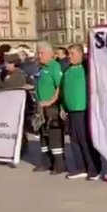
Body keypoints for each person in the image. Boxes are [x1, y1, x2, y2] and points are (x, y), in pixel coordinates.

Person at [59, 45, 102, 180]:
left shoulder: (86, 68)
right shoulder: (67, 70)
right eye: (68, 54)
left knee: (85, 140)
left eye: (72, 53)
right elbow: (62, 89)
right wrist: (62, 107)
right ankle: (80, 167)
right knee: (74, 141)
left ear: (80, 54)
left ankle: (94, 169)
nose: (69, 56)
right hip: (70, 111)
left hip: (83, 110)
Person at [33, 42, 66, 175]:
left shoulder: (54, 66)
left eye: (42, 53)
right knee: (43, 135)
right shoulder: (40, 68)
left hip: (51, 107)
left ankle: (59, 165)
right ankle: (46, 162)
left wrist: (51, 100)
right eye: (38, 53)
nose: (39, 56)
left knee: (54, 135)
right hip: (40, 107)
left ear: (50, 54)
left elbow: (60, 85)